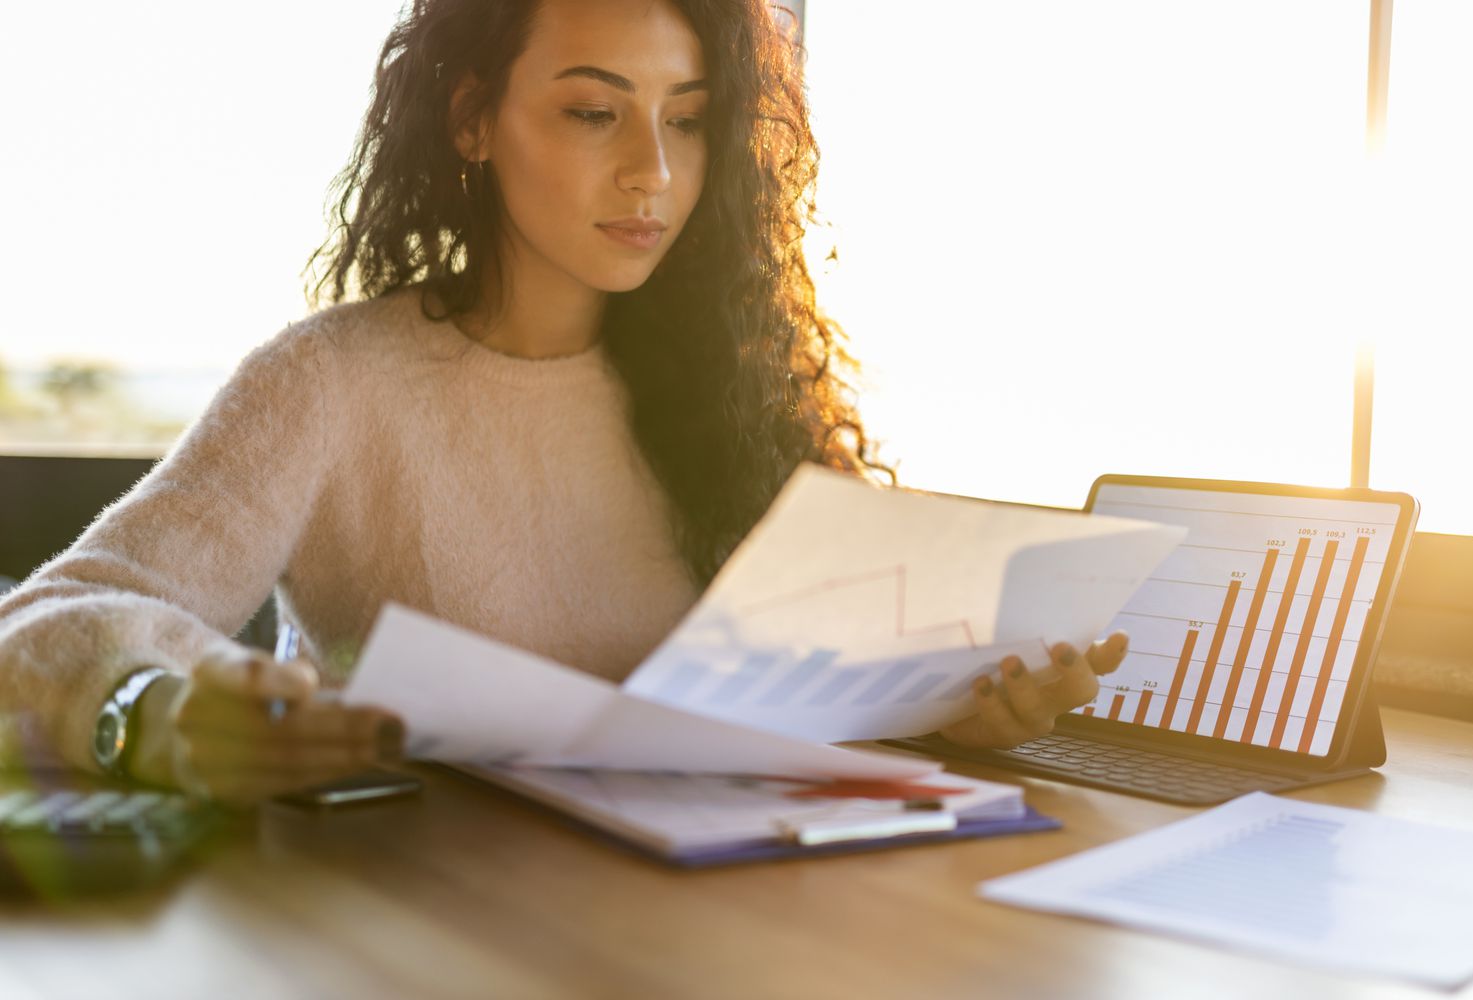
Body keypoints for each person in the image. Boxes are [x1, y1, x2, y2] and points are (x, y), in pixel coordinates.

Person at [0, 0, 1128, 806]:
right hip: (421, 930)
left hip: (712, 919)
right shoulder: (328, 383)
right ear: (472, 120)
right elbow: (40, 623)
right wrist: (146, 708)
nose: (655, 171)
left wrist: (959, 706)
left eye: (686, 119)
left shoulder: (731, 387)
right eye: (597, 113)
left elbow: (800, 689)